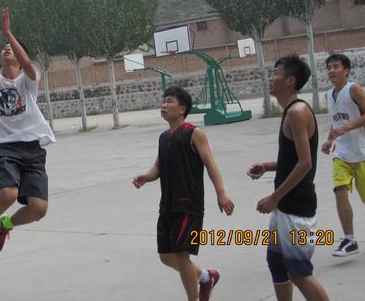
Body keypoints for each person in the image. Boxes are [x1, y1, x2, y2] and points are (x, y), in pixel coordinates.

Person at [0, 8, 55, 254]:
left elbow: (28, 64)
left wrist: (8, 33)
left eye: (11, 48)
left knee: (39, 209)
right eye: (4, 47)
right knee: (8, 194)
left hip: (32, 150)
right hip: (5, 148)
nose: (6, 48)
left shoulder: (29, 81)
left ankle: (5, 225)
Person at [132, 85, 234, 301]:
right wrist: (145, 177)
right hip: (167, 205)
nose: (164, 105)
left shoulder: (194, 133)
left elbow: (211, 164)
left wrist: (221, 193)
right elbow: (158, 167)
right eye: (163, 101)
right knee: (165, 256)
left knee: (181, 255)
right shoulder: (164, 137)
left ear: (182, 109)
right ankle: (206, 277)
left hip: (188, 205)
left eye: (169, 101)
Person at [247, 55, 329, 301]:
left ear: (290, 81)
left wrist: (274, 197)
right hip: (285, 208)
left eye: (276, 73)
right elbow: (293, 159)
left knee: (299, 273)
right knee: (276, 262)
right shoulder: (291, 111)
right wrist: (266, 166)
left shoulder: (297, 112)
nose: (271, 78)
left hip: (296, 210)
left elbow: (305, 163)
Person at [321, 53, 365, 257]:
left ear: (346, 70)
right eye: (329, 68)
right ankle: (349, 240)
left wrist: (347, 127)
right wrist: (329, 140)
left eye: (335, 67)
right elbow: (336, 122)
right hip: (341, 153)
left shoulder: (354, 89)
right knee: (339, 190)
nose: (331, 71)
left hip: (363, 152)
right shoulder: (328, 95)